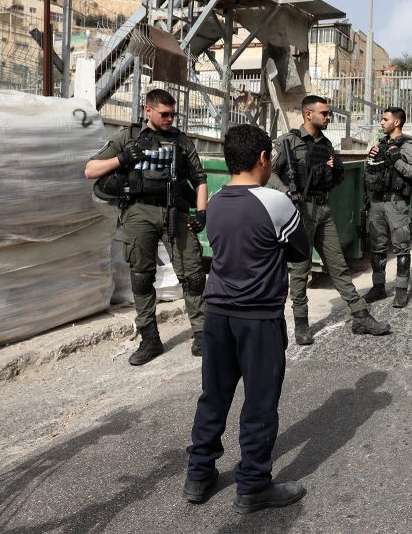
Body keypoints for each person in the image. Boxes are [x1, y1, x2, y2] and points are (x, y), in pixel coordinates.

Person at [184, 124, 308, 514]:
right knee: (259, 403)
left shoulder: (216, 200)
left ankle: (198, 475)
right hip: (259, 319)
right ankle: (253, 485)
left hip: (217, 313)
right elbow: (300, 251)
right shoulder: (276, 202)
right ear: (262, 158)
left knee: (213, 396)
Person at [84, 88, 208, 366]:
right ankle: (149, 338)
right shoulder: (128, 137)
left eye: (173, 114)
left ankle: (202, 333)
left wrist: (202, 212)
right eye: (164, 114)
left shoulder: (181, 141)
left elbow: (200, 178)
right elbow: (90, 170)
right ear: (148, 110)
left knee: (193, 274)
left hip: (175, 210)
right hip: (139, 211)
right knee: (141, 277)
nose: (170, 119)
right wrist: (123, 159)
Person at [270, 95, 390, 345]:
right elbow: (266, 171)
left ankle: (361, 315)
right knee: (301, 271)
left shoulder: (326, 144)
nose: (328, 117)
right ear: (308, 114)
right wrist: (285, 191)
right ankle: (301, 323)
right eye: (324, 113)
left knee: (338, 266)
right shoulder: (288, 143)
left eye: (329, 113)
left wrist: (334, 169)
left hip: (323, 210)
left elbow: (336, 179)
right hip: (299, 214)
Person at [362, 107, 412, 308]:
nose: (381, 122)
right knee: (377, 246)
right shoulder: (380, 144)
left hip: (396, 202)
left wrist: (396, 160)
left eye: (385, 119)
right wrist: (370, 158)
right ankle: (378, 287)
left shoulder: (407, 147)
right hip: (377, 201)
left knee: (401, 245)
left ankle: (400, 290)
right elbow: (369, 170)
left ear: (396, 122)